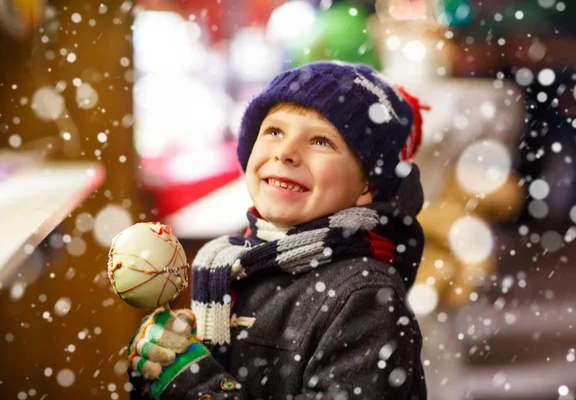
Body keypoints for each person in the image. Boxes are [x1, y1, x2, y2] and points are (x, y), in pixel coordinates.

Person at [128, 61, 428, 399]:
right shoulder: (228, 262)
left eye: (321, 141)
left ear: (366, 185)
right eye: (274, 131)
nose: (286, 152)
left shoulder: (365, 297)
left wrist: (194, 384)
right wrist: (159, 372)